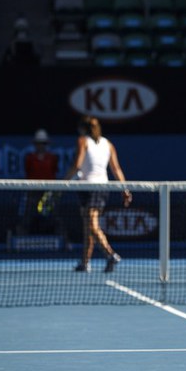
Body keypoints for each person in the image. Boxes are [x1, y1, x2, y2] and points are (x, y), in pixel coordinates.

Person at [64, 116, 132, 273]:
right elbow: (116, 169)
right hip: (97, 188)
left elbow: (77, 164)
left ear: (83, 128)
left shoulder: (83, 141)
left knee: (92, 224)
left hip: (93, 188)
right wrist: (124, 189)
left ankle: (110, 254)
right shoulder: (108, 144)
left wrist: (62, 183)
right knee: (88, 225)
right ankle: (85, 262)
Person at [17, 129, 60, 235]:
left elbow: (54, 171)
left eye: (43, 143)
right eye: (39, 143)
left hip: (48, 192)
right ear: (35, 144)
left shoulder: (52, 158)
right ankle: (20, 237)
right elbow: (28, 172)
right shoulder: (29, 158)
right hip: (33, 191)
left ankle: (64, 239)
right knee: (27, 215)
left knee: (55, 216)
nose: (41, 146)